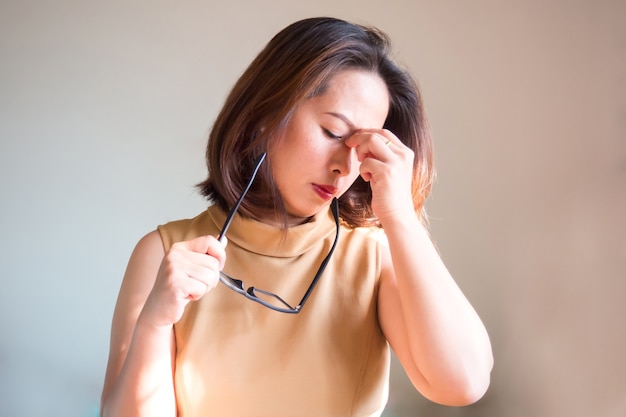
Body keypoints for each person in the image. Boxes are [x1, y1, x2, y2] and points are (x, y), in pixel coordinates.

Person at [100, 16, 493, 417]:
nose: (345, 166)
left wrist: (400, 217)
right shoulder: (166, 255)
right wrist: (154, 322)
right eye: (333, 133)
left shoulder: (373, 256)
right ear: (266, 114)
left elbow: (463, 382)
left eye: (363, 148)